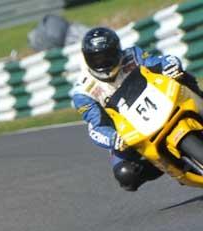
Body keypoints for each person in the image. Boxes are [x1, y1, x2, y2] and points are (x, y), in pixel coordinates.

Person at [71, 27, 203, 192]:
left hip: (160, 102)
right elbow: (96, 127)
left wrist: (170, 66)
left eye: (107, 56)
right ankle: (166, 165)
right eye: (96, 59)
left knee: (181, 76)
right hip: (128, 130)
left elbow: (159, 61)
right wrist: (113, 138)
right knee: (126, 174)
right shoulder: (83, 92)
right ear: (87, 59)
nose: (103, 62)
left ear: (117, 51)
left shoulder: (132, 55)